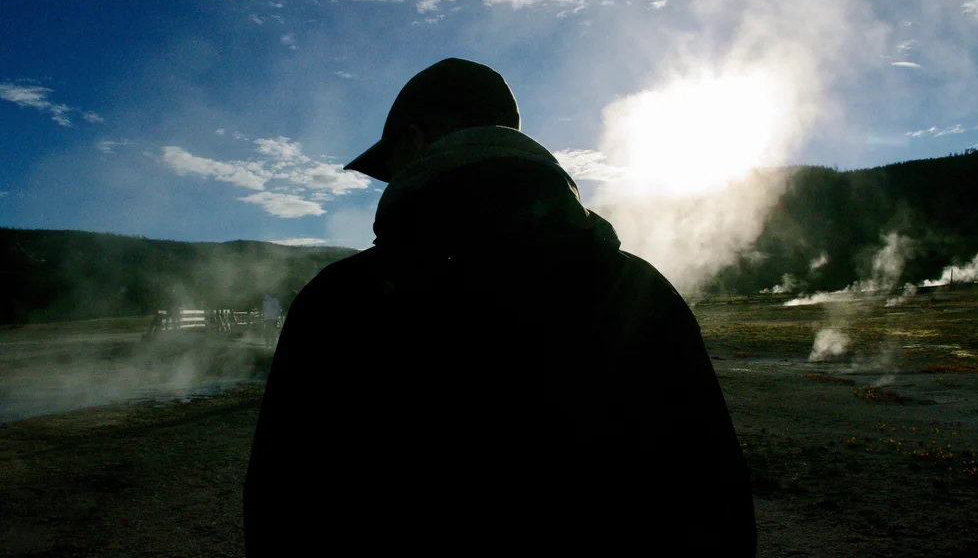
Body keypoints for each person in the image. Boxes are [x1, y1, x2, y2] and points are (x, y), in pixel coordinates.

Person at [243, 58, 757, 556]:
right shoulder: (637, 289)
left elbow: (283, 505)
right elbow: (714, 496)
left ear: (414, 141)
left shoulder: (341, 302)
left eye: (391, 162)